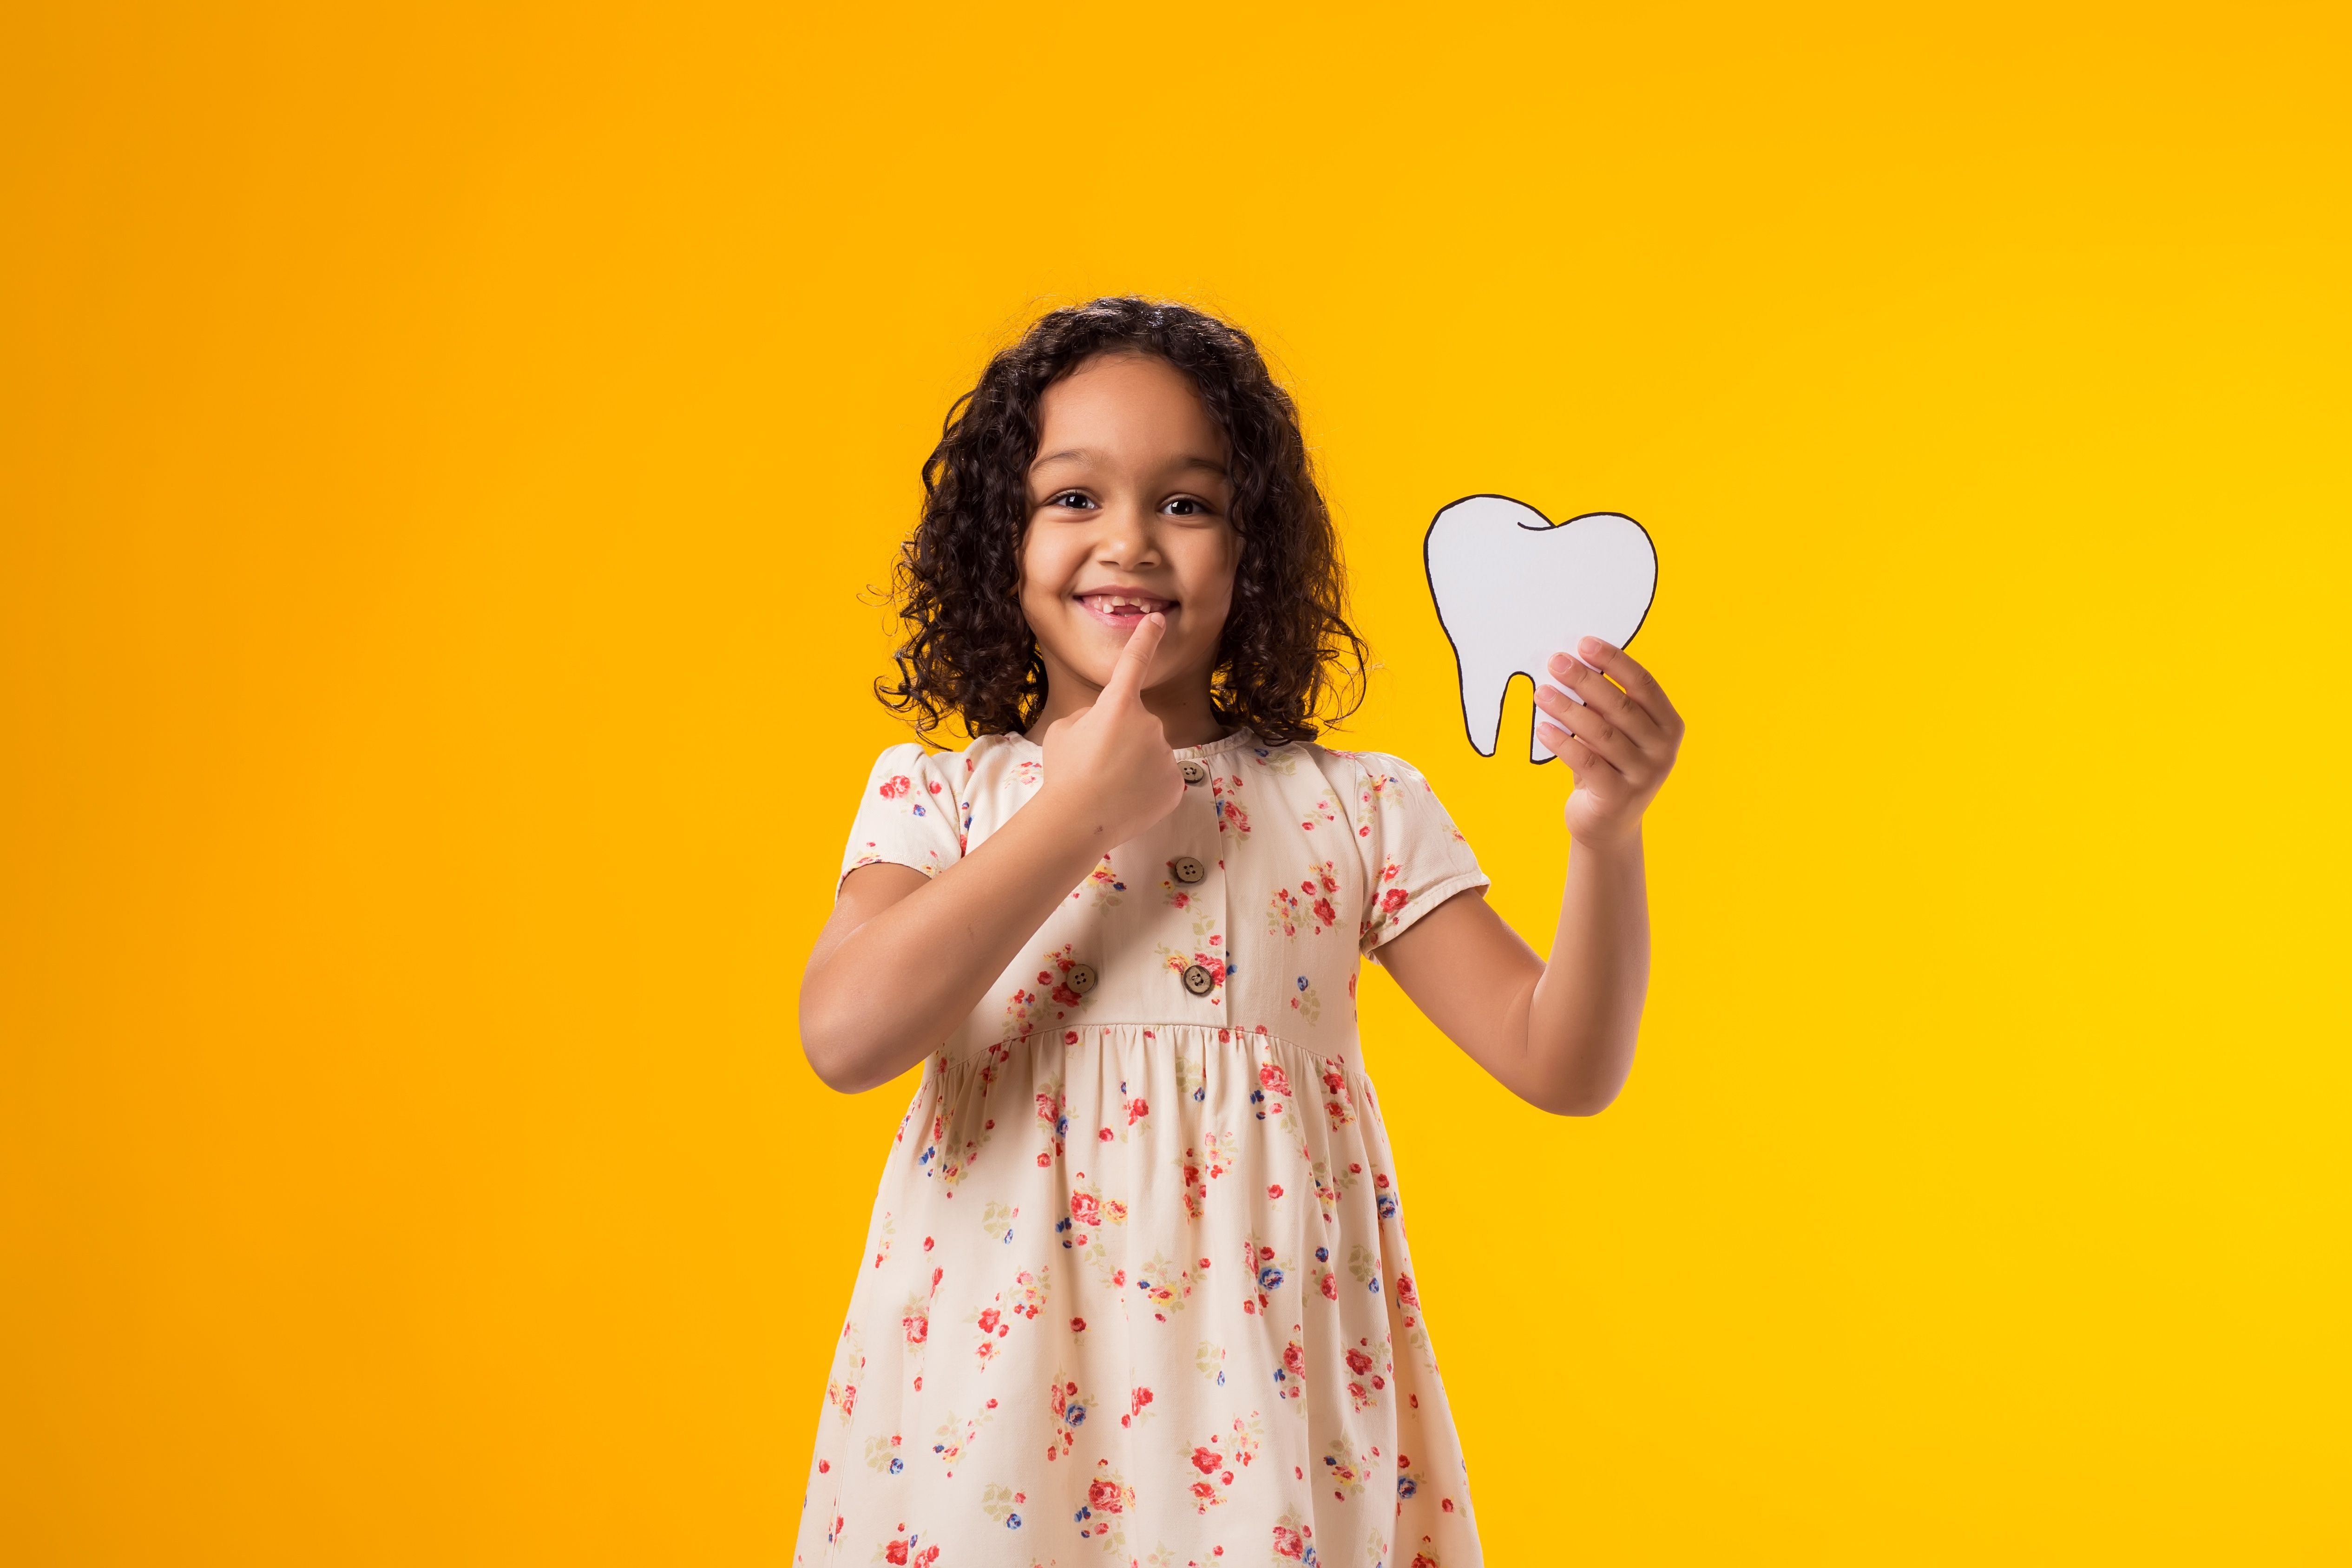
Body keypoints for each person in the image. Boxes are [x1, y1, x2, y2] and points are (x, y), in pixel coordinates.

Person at [794, 298, 1682, 1566]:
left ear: (1253, 546)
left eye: (1188, 504)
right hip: (986, 1428)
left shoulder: (1349, 808)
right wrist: (1079, 813)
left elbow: (1563, 1061)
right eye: (1074, 500)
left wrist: (1606, 836)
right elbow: (846, 1033)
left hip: (1265, 1413)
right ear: (1002, 538)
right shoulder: (943, 798)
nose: (1131, 544)